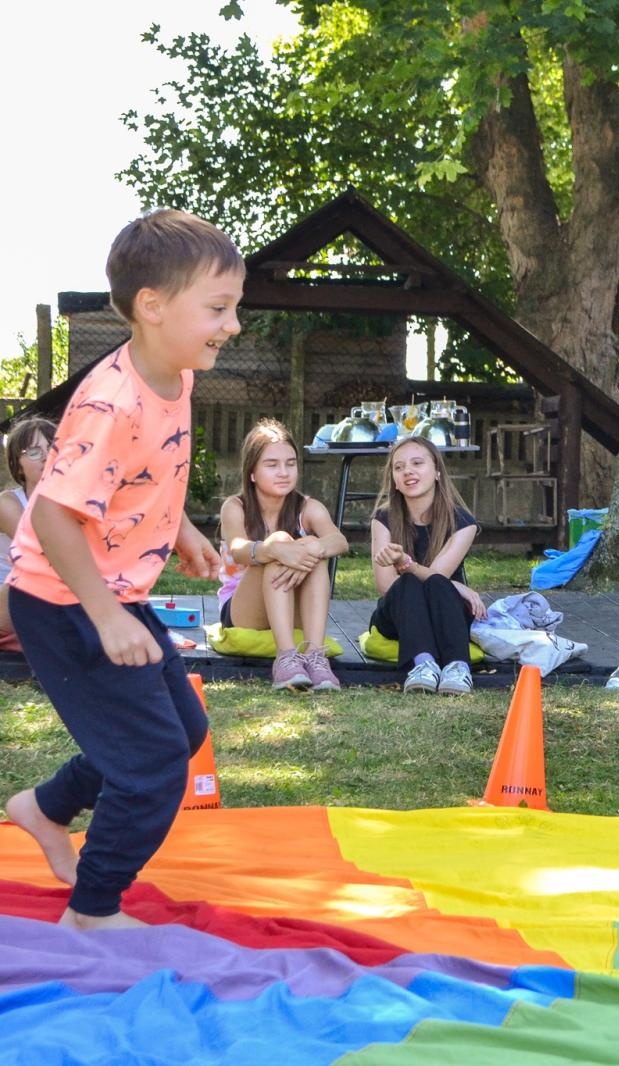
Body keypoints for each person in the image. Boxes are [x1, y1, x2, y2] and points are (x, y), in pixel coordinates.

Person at [2, 209, 237, 930]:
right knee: (155, 765)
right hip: (64, 601)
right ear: (153, 306)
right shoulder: (112, 401)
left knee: (184, 728)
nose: (233, 325)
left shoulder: (177, 373)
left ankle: (43, 808)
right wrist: (104, 616)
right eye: (219, 308)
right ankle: (93, 908)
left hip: (110, 594)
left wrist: (185, 531)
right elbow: (50, 515)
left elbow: (147, 477)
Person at [217, 418, 349, 690]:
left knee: (314, 544)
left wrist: (314, 547)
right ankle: (286, 659)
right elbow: (238, 549)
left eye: (290, 463)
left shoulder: (307, 507)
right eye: (272, 464)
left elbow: (339, 541)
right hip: (244, 610)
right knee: (280, 542)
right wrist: (273, 549)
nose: (283, 472)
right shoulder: (235, 507)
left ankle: (314, 657)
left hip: (292, 605)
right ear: (251, 472)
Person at [369, 436, 484, 695]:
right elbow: (386, 586)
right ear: (395, 481)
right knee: (408, 584)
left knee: (436, 585)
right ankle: (423, 666)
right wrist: (459, 586)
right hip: (399, 614)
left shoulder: (462, 522)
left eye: (417, 463)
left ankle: (457, 667)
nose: (407, 471)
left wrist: (405, 563)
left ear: (437, 473)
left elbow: (437, 579)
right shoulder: (383, 518)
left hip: (444, 611)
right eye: (399, 468)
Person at [0, 417, 58, 645]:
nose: (47, 456)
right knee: (34, 566)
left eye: (54, 447)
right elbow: (42, 549)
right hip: (8, 601)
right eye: (34, 452)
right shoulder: (8, 503)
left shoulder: (75, 504)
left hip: (49, 603)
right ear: (18, 465)